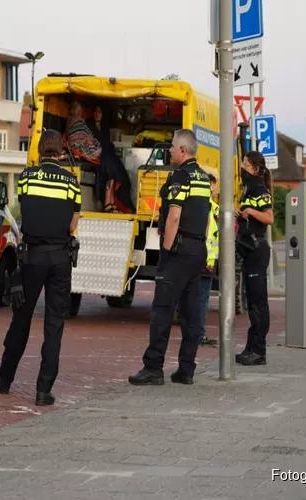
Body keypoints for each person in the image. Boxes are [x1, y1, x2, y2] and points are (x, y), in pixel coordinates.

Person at [0, 129, 81, 406]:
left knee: (22, 318)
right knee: (54, 324)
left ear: (41, 150)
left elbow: (25, 209)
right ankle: (43, 390)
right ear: (61, 151)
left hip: (32, 258)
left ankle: (5, 378)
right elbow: (72, 224)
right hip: (60, 259)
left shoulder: (27, 177)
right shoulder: (71, 182)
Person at [128, 129, 211, 386]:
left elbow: (174, 215)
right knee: (191, 313)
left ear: (183, 150)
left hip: (178, 253)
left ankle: (153, 368)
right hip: (197, 250)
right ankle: (186, 369)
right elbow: (207, 218)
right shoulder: (204, 179)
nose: (170, 151)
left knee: (162, 310)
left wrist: (166, 248)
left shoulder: (181, 177)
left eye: (173, 148)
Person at [234, 152, 274, 366]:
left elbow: (269, 217)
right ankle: (251, 347)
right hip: (248, 248)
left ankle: (259, 351)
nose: (243, 167)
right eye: (243, 163)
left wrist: (250, 211)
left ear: (256, 169)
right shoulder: (248, 188)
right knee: (251, 301)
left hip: (257, 249)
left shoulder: (259, 188)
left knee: (258, 302)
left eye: (247, 164)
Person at [86, 104, 135, 214]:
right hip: (97, 156)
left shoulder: (105, 126)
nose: (97, 114)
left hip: (107, 156)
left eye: (99, 112)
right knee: (111, 168)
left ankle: (111, 202)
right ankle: (109, 202)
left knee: (116, 170)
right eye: (95, 111)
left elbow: (106, 143)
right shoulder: (89, 125)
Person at [198, 173, 219, 346]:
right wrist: (207, 260)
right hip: (205, 261)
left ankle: (197, 333)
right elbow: (205, 235)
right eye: (214, 185)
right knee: (201, 299)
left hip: (206, 260)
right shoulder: (205, 207)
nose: (216, 189)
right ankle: (198, 334)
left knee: (199, 298)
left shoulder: (211, 206)